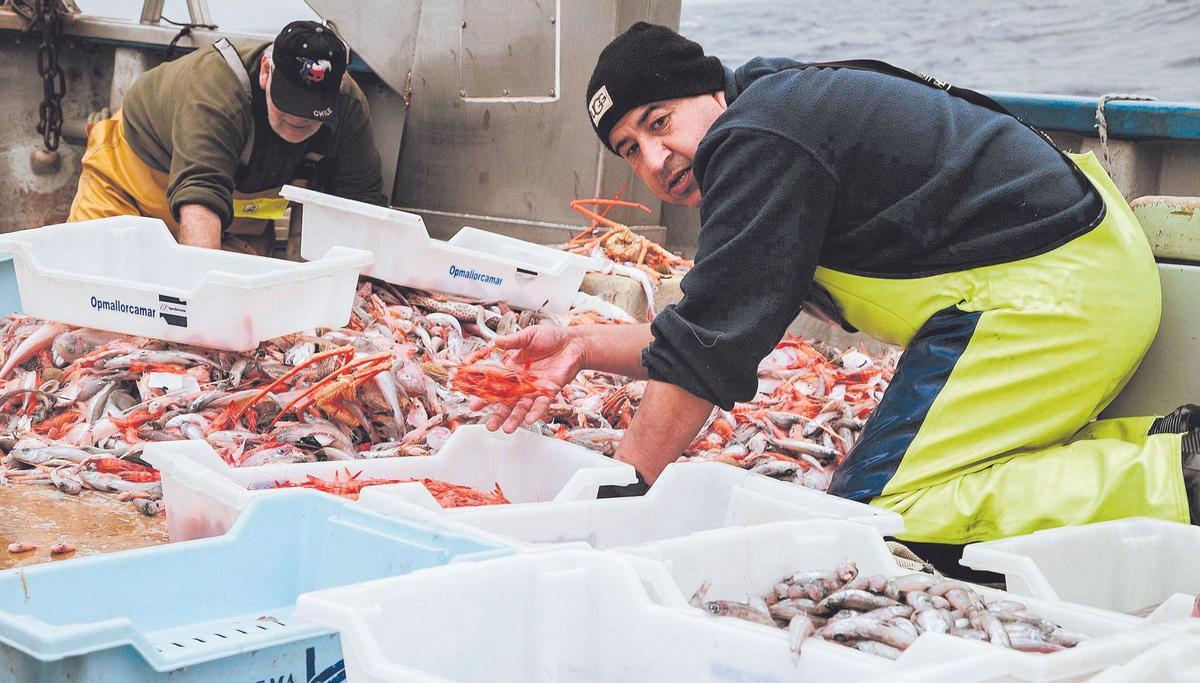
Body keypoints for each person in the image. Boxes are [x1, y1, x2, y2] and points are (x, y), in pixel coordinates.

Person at [474, 22, 1200, 551]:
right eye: (631, 150)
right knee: (903, 485)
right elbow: (711, 326)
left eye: (660, 122)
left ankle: (1181, 480)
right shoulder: (771, 115)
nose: (657, 160)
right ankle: (1167, 446)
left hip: (1048, 296)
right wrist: (581, 346)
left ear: (709, 89)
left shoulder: (756, 141)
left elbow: (704, 353)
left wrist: (613, 500)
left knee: (879, 509)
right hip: (1073, 271)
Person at [67, 20, 385, 255]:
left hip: (230, 220)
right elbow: (201, 192)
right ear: (266, 71)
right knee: (88, 289)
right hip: (132, 187)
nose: (299, 118)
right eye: (289, 102)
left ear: (337, 88)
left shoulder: (349, 106)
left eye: (314, 109)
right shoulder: (216, 92)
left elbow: (361, 204)